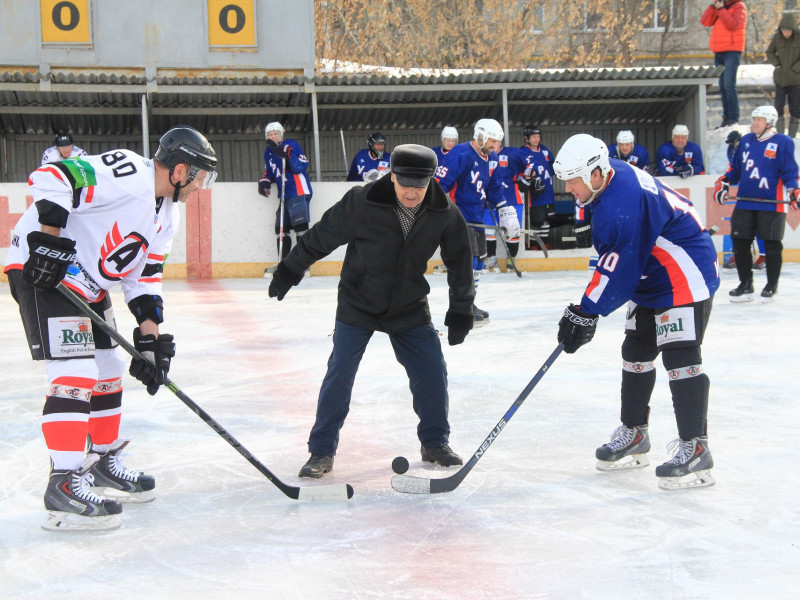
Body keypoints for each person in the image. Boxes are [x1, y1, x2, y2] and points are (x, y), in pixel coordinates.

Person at [4, 126, 217, 530]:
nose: (200, 187)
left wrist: (151, 340)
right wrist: (49, 241)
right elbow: (52, 177)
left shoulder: (166, 217)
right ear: (179, 171)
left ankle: (100, 462)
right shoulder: (128, 172)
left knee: (109, 367)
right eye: (200, 177)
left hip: (87, 283)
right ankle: (63, 483)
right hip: (43, 269)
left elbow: (144, 278)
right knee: (76, 372)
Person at [267, 144, 475, 478]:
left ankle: (435, 442)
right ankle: (321, 451)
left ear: (431, 181)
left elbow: (461, 262)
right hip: (358, 301)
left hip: (408, 305)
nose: (411, 191)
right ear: (391, 175)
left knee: (432, 371)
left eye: (419, 185)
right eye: (404, 182)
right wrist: (290, 269)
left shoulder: (444, 211)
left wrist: (461, 309)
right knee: (340, 373)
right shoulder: (362, 202)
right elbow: (321, 236)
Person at [553, 134, 719, 490]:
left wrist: (585, 311)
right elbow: (622, 260)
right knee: (636, 349)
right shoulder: (609, 181)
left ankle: (697, 449)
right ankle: (635, 433)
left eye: (574, 180)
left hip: (683, 269)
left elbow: (619, 271)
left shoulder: (620, 206)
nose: (568, 188)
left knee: (679, 354)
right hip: (651, 269)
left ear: (597, 173)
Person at [713, 106, 800, 302]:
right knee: (740, 241)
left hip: (772, 204)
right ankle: (746, 283)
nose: (753, 123)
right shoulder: (745, 141)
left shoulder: (782, 142)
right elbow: (735, 169)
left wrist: (794, 190)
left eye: (758, 120)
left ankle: (771, 285)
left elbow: (789, 171)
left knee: (771, 245)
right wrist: (724, 182)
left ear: (769, 122)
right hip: (745, 202)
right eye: (753, 120)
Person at [436, 118, 509, 325]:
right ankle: (460, 308)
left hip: (476, 219)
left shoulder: (489, 159)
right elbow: (439, 186)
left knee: (478, 263)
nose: (497, 147)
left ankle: (469, 303)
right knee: (465, 265)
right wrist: (445, 215)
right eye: (493, 141)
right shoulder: (460, 154)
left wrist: (505, 208)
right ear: (481, 136)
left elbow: (493, 188)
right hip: (460, 220)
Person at [258, 122, 313, 268]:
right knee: (281, 227)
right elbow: (269, 171)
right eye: (270, 134)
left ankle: (303, 263)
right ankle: (285, 264)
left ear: (281, 134)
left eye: (276, 133)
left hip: (298, 190)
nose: (273, 136)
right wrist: (265, 181)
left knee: (300, 225)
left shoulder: (291, 144)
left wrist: (289, 155)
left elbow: (301, 166)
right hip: (284, 194)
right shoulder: (268, 152)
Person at [721, 130, 765, 270]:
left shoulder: (763, 146)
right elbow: (736, 166)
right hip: (745, 191)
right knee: (738, 223)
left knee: (760, 225)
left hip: (761, 191)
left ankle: (764, 255)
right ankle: (740, 254)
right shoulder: (740, 148)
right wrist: (733, 148)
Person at [701, 0, 748, 127]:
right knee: (721, 86)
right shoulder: (720, 7)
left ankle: (733, 118)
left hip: (732, 50)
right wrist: (713, 7)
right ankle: (726, 118)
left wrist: (721, 9)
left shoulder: (739, 6)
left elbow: (733, 24)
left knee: (729, 85)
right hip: (719, 51)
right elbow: (705, 21)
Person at [486, 140, 527, 271]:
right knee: (487, 230)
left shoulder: (513, 154)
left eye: (495, 141)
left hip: (511, 197)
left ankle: (511, 262)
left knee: (513, 230)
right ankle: (492, 260)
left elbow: (530, 166)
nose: (492, 144)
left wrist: (528, 178)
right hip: (490, 199)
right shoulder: (482, 156)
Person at [517, 125, 555, 248]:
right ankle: (534, 245)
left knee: (547, 220)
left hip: (548, 193)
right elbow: (518, 174)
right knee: (536, 221)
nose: (536, 139)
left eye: (538, 136)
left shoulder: (545, 150)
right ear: (526, 138)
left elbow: (553, 168)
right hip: (535, 196)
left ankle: (545, 243)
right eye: (533, 137)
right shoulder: (522, 153)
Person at [767, 13, 800, 138]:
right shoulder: (777, 38)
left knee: (795, 108)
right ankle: (780, 135)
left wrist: (796, 69)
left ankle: (791, 136)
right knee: (778, 107)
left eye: (788, 31)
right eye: (783, 31)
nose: (786, 33)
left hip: (796, 79)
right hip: (780, 78)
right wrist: (776, 63)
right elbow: (769, 52)